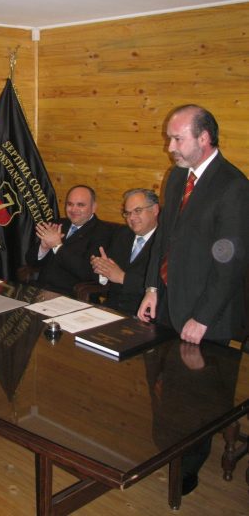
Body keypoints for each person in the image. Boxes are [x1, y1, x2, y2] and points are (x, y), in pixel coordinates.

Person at [137, 104, 249, 495]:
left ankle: (188, 467)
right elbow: (163, 238)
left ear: (204, 138)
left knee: (199, 399)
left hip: (208, 314)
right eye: (169, 138)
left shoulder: (233, 185)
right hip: (171, 301)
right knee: (168, 388)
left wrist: (202, 317)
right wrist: (152, 288)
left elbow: (230, 262)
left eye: (177, 139)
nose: (170, 147)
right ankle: (167, 451)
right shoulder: (176, 177)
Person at [25, 185, 114, 296]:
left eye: (80, 205)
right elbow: (30, 261)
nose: (73, 209)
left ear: (94, 207)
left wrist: (57, 246)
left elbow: (87, 272)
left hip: (71, 295)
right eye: (70, 204)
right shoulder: (58, 223)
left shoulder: (103, 232)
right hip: (39, 289)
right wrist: (43, 248)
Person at [90, 188, 159, 315]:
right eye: (127, 213)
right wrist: (102, 269)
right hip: (112, 308)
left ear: (155, 210)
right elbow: (107, 273)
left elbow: (162, 287)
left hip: (145, 313)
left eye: (137, 211)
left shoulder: (166, 241)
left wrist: (123, 277)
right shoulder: (122, 234)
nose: (131, 218)